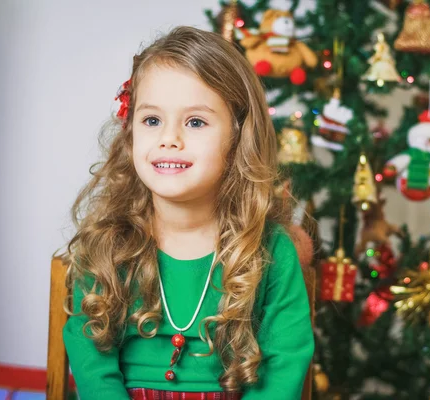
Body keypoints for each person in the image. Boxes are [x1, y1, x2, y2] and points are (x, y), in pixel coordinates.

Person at [60, 25, 315, 400]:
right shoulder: (105, 245)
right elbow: (91, 365)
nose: (169, 138)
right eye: (151, 120)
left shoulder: (271, 251)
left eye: (195, 122)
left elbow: (284, 365)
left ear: (237, 138)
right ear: (130, 133)